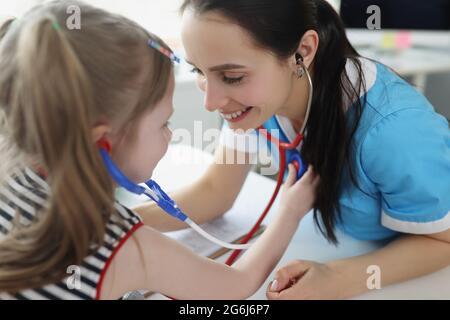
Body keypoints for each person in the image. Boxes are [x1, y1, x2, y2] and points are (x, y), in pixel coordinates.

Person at [0, 0, 318, 300]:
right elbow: (236, 285)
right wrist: (289, 213)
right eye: (164, 124)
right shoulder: (125, 247)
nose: (171, 133)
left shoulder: (9, 174)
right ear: (102, 142)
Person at [137, 0, 450, 299]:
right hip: (335, 243)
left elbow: (443, 240)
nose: (211, 102)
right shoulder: (253, 104)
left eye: (232, 77)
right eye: (198, 71)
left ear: (303, 51)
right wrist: (115, 223)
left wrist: (339, 278)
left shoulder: (395, 130)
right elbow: (216, 190)